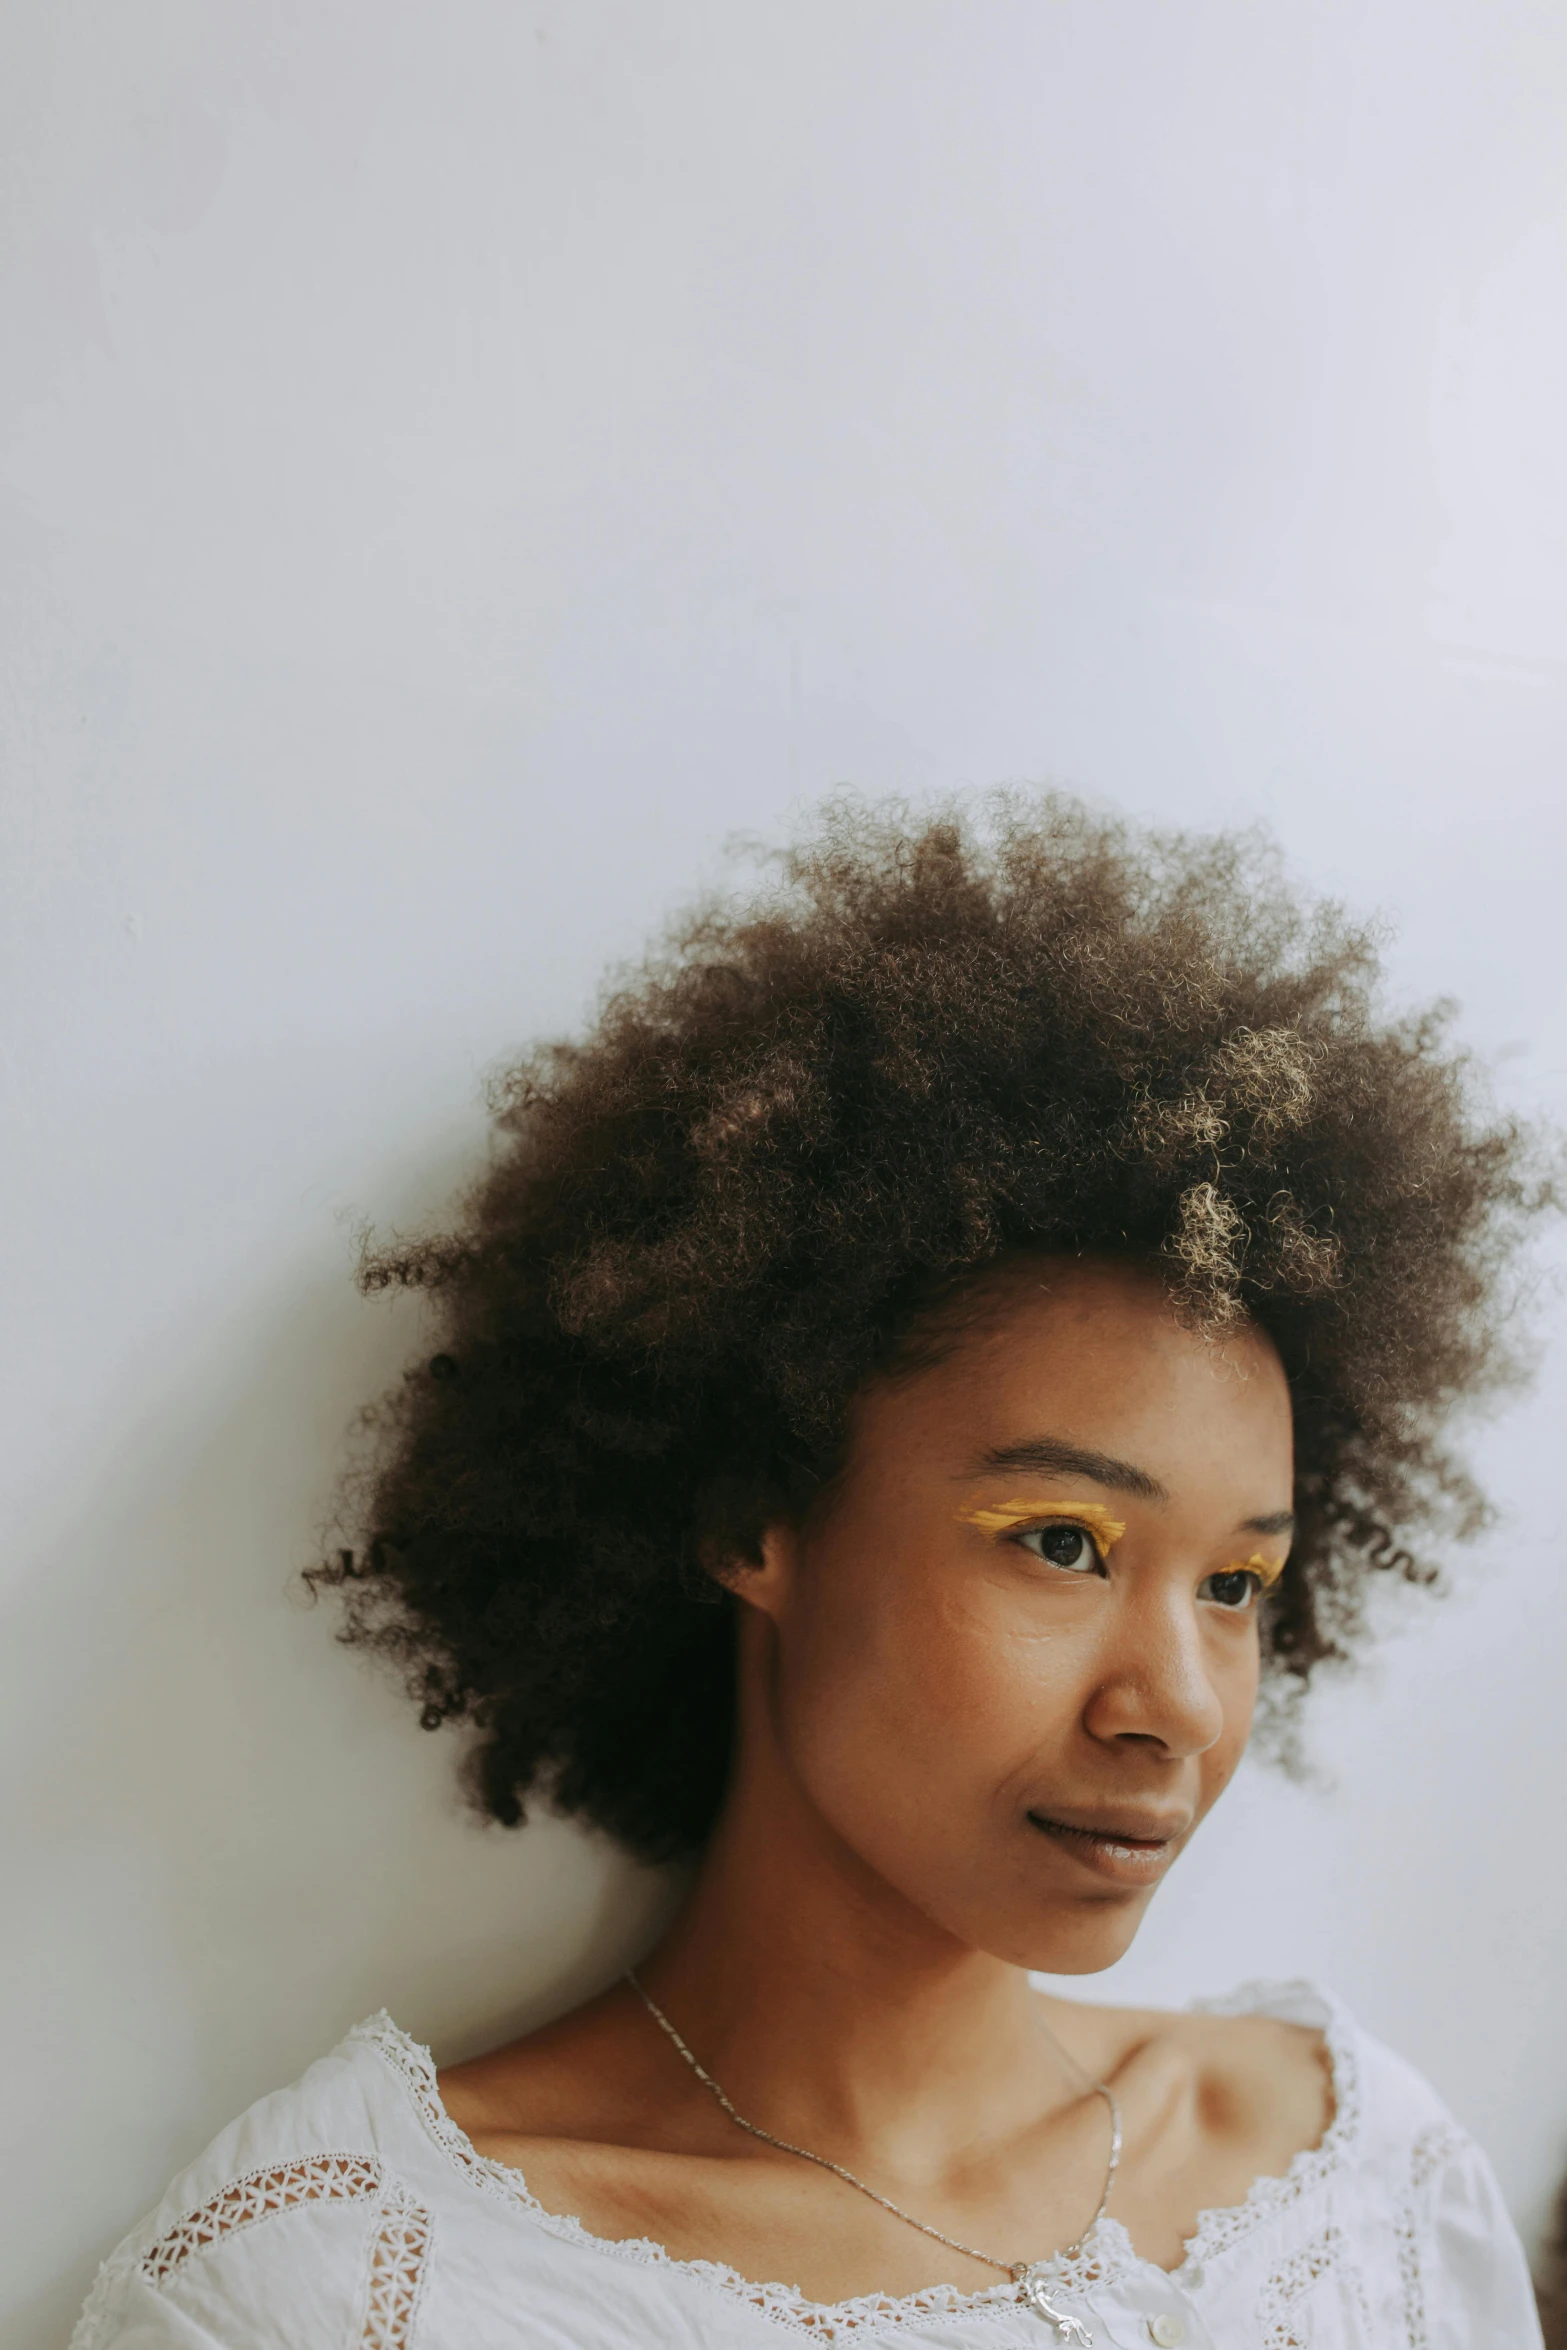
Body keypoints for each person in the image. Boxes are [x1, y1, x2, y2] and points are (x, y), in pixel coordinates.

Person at [74, 800, 1548, 2347]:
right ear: (752, 1516)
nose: (1176, 1705)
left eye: (1237, 1585)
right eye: (1061, 1542)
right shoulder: (354, 2290)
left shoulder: (1358, 2194)